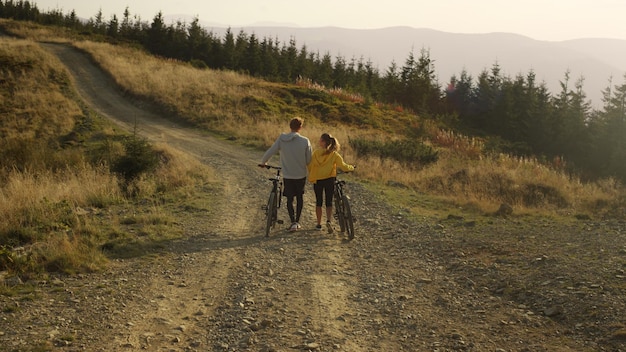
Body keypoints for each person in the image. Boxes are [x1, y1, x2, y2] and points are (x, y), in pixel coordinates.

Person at [260, 117, 312, 232]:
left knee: (289, 199)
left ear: (290, 126)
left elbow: (271, 150)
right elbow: (309, 160)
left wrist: (264, 162)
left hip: (288, 174)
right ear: (300, 127)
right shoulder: (305, 141)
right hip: (300, 174)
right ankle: (297, 222)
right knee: (299, 197)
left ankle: (292, 221)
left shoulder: (282, 139)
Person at [307, 133, 355, 233]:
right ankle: (328, 220)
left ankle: (319, 224)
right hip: (329, 179)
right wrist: (352, 168)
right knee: (329, 201)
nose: (319, 141)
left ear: (324, 142)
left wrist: (310, 173)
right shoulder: (334, 154)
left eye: (320, 140)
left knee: (319, 202)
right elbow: (343, 166)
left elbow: (310, 166)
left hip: (318, 180)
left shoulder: (316, 153)